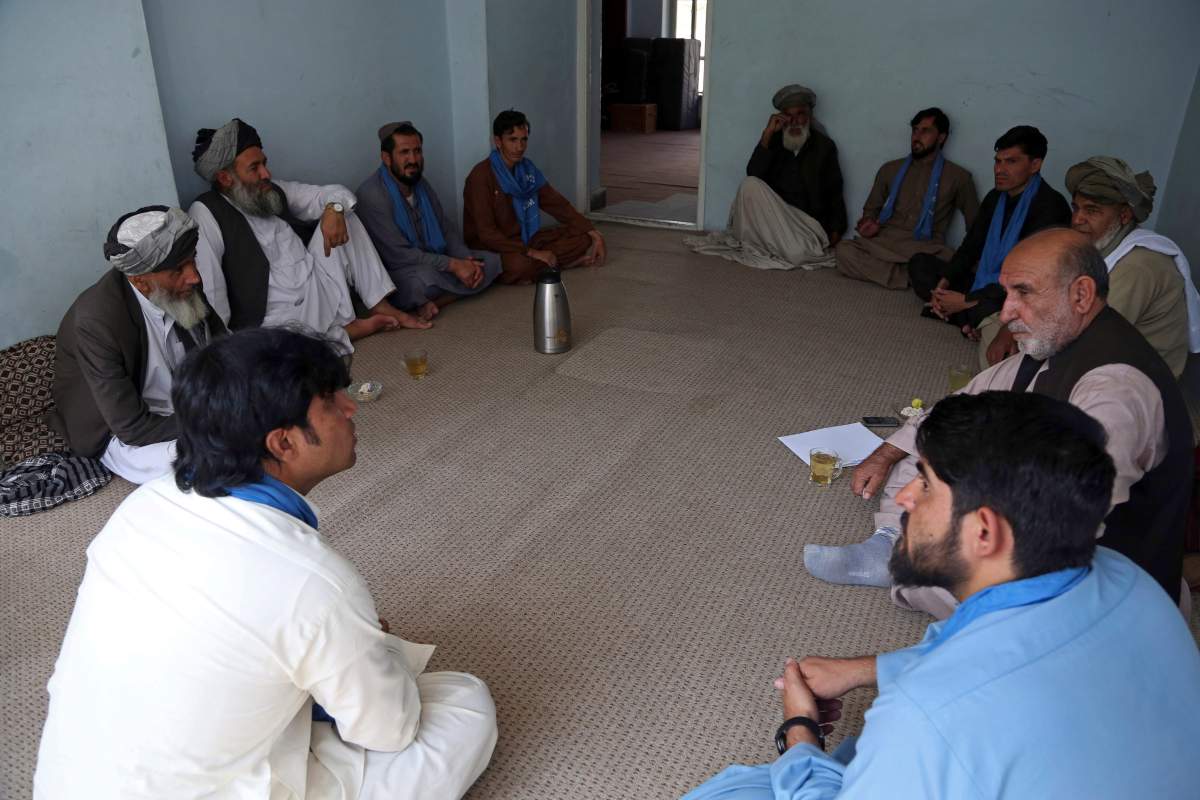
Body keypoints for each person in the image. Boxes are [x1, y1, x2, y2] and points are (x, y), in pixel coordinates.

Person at [34, 327, 497, 800]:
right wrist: (371, 649)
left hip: (67, 785)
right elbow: (387, 733)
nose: (350, 407)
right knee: (465, 704)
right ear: (283, 443)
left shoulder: (140, 507)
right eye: (329, 402)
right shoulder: (315, 582)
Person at [684, 392, 1200, 799]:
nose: (904, 497)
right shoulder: (1128, 579)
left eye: (925, 484)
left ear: (984, 533)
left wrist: (799, 733)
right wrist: (867, 670)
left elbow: (959, 694)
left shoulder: (929, 712)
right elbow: (990, 647)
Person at [804, 229, 1193, 617]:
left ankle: (907, 565)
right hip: (1047, 501)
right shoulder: (1054, 339)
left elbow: (1065, 524)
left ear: (1081, 294)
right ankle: (892, 538)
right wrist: (887, 452)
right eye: (1007, 294)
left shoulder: (1116, 390)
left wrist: (968, 527)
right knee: (929, 453)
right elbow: (959, 406)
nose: (1006, 313)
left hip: (1102, 578)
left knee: (957, 585)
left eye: (1023, 293)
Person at [188, 118, 430, 356]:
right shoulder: (207, 212)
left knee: (345, 216)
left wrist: (333, 210)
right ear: (225, 177)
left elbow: (336, 193)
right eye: (255, 168)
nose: (266, 173)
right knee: (273, 355)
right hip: (275, 315)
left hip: (318, 288)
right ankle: (346, 332)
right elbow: (212, 292)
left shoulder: (271, 190)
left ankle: (382, 306)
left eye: (264, 163)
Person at [49, 206, 227, 484]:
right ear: (140, 281)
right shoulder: (96, 320)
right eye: (179, 269)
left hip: (185, 405)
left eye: (192, 260)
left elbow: (224, 348)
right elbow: (132, 428)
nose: (194, 276)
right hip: (121, 431)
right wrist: (217, 420)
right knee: (210, 458)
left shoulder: (183, 284)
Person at [986, 155, 1200, 376]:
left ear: (1124, 215)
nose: (1078, 219)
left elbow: (1089, 332)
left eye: (1091, 210)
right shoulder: (1100, 245)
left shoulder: (1139, 266)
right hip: (1102, 348)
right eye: (1076, 208)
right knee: (1000, 328)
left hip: (1138, 377)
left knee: (1019, 360)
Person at [908, 125, 1070, 346]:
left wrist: (967, 300)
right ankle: (963, 314)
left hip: (1018, 291)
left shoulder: (1051, 206)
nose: (999, 170)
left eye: (1011, 162)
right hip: (984, 283)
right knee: (920, 265)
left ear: (1035, 164)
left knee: (1011, 307)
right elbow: (971, 246)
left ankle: (962, 314)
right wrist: (944, 284)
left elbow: (1034, 279)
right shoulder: (995, 198)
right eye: (998, 161)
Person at [685, 84, 845, 271]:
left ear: (809, 116)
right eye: (788, 115)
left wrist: (836, 229)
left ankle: (784, 246)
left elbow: (835, 190)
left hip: (807, 223)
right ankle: (775, 244)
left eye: (800, 114)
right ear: (780, 117)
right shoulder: (773, 141)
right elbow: (754, 174)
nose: (794, 121)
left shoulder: (824, 146)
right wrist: (767, 134)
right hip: (776, 218)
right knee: (749, 185)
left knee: (799, 255)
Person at [356, 121, 502, 320]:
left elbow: (445, 227)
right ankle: (441, 295)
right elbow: (398, 256)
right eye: (404, 152)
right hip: (399, 271)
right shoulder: (372, 195)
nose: (413, 159)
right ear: (386, 158)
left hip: (434, 261)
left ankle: (436, 302)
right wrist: (453, 265)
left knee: (491, 262)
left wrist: (465, 259)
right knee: (422, 282)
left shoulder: (420, 184)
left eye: (417, 151)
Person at [835, 107, 979, 289]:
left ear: (941, 137)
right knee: (844, 251)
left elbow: (975, 226)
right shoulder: (890, 169)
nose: (917, 136)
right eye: (915, 130)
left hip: (926, 247)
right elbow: (871, 211)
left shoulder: (959, 177)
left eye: (925, 131)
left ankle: (908, 273)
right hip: (886, 241)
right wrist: (867, 224)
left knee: (958, 262)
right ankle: (909, 276)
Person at [463, 109, 606, 284]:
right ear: (498, 141)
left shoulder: (527, 171)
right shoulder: (481, 176)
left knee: (582, 238)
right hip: (494, 247)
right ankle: (548, 266)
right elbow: (487, 234)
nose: (519, 147)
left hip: (525, 238)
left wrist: (594, 233)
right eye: (512, 140)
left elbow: (557, 204)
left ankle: (543, 266)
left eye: (524, 140)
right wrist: (532, 252)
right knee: (520, 265)